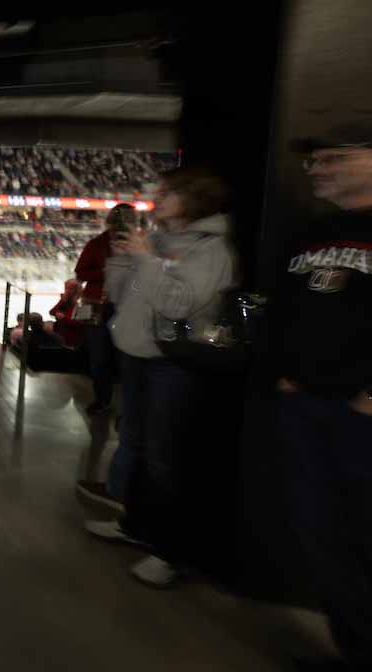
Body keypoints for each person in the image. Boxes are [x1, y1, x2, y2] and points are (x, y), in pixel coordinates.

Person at [85, 167, 235, 588]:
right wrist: (122, 257)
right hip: (137, 356)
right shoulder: (156, 240)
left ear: (194, 199)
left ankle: (170, 552)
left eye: (169, 193)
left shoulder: (211, 250)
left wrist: (145, 260)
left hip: (171, 364)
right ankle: (135, 524)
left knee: (163, 457)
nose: (158, 198)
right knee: (133, 442)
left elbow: (179, 305)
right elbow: (121, 296)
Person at [274, 121, 372, 670]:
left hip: (370, 417)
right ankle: (361, 654)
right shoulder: (311, 232)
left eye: (334, 158)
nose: (317, 169)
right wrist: (284, 370)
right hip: (307, 406)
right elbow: (280, 305)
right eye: (314, 161)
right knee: (322, 537)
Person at [74, 203, 136, 416]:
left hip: (127, 306)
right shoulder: (96, 244)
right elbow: (80, 272)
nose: (121, 226)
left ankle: (125, 405)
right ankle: (103, 400)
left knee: (126, 357)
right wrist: (108, 271)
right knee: (100, 356)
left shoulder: (139, 245)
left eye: (126, 222)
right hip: (99, 307)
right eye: (118, 222)